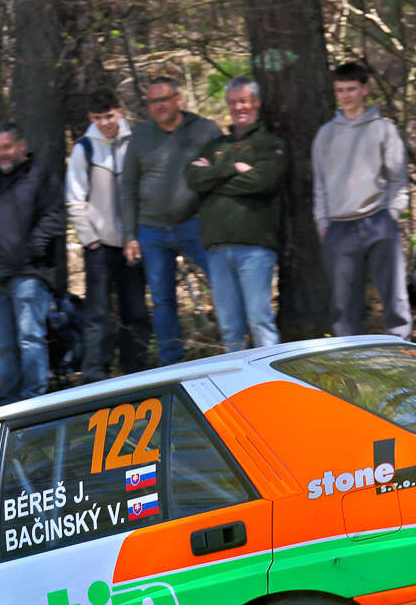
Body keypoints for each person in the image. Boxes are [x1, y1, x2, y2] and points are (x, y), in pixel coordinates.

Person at [118, 74, 220, 365]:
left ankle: (238, 349)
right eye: (152, 101)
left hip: (195, 224)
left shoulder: (205, 130)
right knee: (162, 299)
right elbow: (128, 187)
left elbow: (221, 173)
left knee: (222, 284)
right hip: (152, 230)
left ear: (178, 100)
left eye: (164, 99)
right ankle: (171, 363)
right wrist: (130, 235)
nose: (158, 106)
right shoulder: (140, 136)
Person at [185, 76, 286, 350]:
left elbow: (264, 180)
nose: (238, 107)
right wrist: (233, 168)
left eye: (244, 101)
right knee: (230, 328)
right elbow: (193, 178)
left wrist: (214, 179)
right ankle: (238, 376)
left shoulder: (269, 144)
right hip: (217, 249)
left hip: (254, 248)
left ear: (256, 102)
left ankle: (269, 375)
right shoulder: (216, 146)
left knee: (259, 320)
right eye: (233, 102)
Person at [314, 61, 412, 338]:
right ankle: (351, 356)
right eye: (340, 90)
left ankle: (402, 349)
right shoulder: (325, 135)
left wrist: (391, 215)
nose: (345, 96)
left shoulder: (383, 130)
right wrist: (323, 223)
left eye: (351, 89)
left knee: (394, 298)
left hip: (378, 221)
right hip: (339, 226)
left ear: (364, 90)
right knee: (343, 307)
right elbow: (320, 185)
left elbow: (398, 179)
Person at [0, 123, 65, 403]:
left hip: (29, 274)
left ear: (21, 146)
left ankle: (35, 402)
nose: (2, 153)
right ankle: (10, 407)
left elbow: (55, 218)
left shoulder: (40, 178)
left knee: (30, 339)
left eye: (7, 147)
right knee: (4, 347)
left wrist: (32, 249)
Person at [66, 90, 149, 381]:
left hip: (133, 242)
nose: (104, 123)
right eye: (97, 118)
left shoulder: (136, 141)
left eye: (109, 116)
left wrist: (138, 233)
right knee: (97, 313)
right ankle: (95, 375)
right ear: (91, 118)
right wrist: (90, 239)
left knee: (136, 310)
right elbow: (74, 198)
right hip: (99, 245)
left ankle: (136, 371)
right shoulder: (85, 148)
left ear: (120, 113)